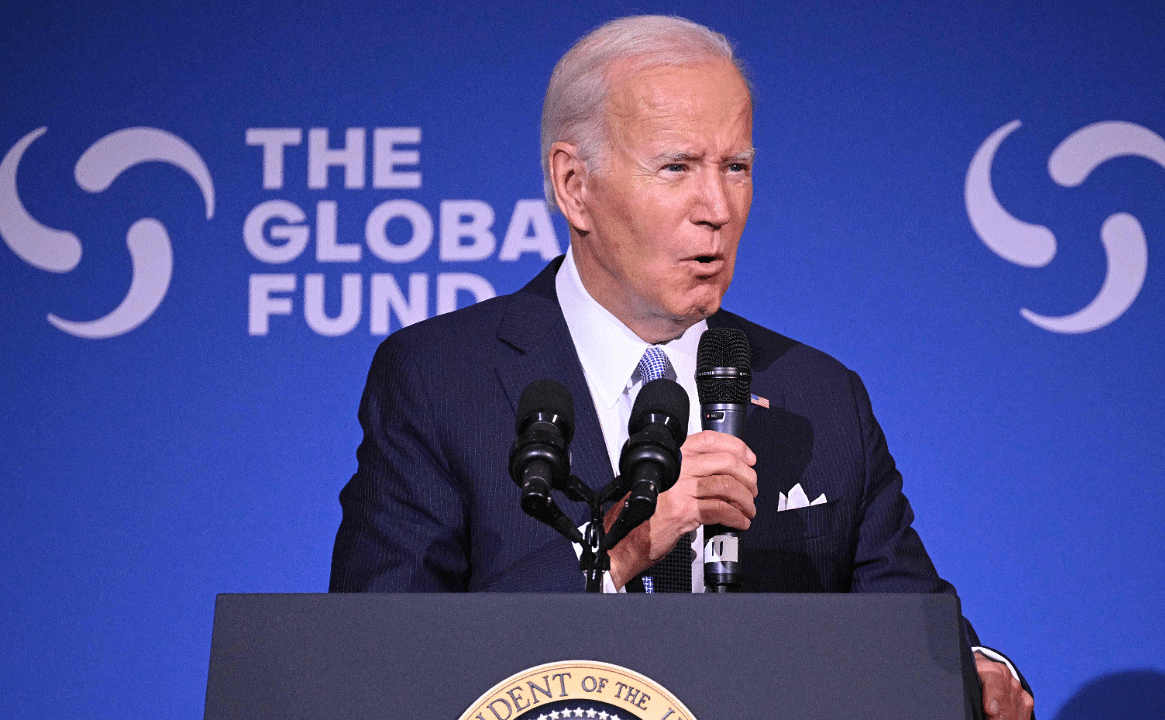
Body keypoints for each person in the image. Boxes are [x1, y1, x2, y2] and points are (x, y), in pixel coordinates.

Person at [330, 15, 1033, 720]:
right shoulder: (437, 380)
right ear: (575, 185)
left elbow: (909, 628)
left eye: (737, 167)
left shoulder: (821, 396)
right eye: (677, 168)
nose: (718, 209)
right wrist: (614, 556)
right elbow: (381, 661)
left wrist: (976, 669)